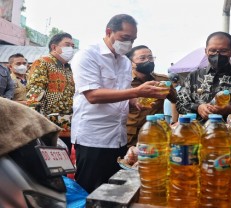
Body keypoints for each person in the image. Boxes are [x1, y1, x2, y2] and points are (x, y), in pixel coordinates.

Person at [71, 14, 169, 193]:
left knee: (114, 191)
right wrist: (137, 91)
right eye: (125, 38)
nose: (129, 44)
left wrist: (135, 101)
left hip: (118, 137)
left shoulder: (124, 61)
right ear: (109, 32)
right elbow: (92, 95)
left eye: (133, 40)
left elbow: (121, 91)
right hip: (93, 138)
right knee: (90, 191)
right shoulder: (87, 56)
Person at [176, 31, 231, 121]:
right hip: (197, 130)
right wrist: (198, 107)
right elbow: (180, 103)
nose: (217, 54)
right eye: (212, 50)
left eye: (223, 51)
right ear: (206, 51)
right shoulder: (193, 76)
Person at [26, 32, 75, 154]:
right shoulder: (43, 62)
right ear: (54, 47)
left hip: (67, 127)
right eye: (67, 44)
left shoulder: (68, 68)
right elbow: (35, 93)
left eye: (73, 46)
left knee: (63, 163)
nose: (71, 49)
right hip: (48, 127)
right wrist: (35, 122)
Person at [125, 45, 177, 146]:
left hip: (156, 134)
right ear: (131, 63)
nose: (148, 61)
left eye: (150, 57)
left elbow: (176, 100)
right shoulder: (125, 82)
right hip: (131, 135)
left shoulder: (162, 81)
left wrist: (174, 122)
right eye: (142, 58)